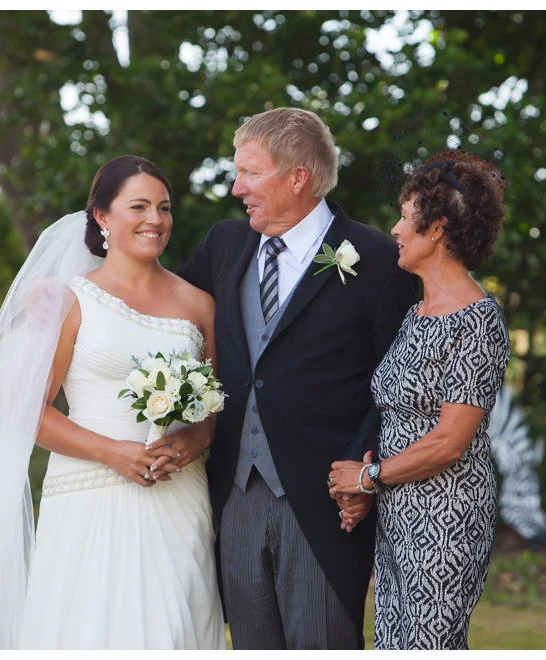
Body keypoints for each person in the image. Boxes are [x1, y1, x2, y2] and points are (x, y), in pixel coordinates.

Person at [0, 156, 225, 649]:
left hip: (177, 496)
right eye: (138, 206)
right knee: (89, 629)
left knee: (174, 629)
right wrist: (112, 452)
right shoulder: (68, 300)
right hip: (87, 493)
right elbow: (26, 412)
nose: (155, 220)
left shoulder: (199, 304)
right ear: (101, 217)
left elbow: (212, 410)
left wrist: (190, 442)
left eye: (164, 208)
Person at [158, 107, 418, 649]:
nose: (237, 188)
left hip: (326, 500)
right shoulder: (224, 245)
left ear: (298, 176)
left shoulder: (375, 259)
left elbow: (398, 386)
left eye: (250, 173)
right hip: (234, 490)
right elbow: (160, 311)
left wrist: (366, 474)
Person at [327, 154, 511, 650]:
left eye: (406, 218)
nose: (395, 230)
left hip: (446, 517)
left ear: (437, 229)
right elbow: (397, 419)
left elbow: (450, 442)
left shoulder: (478, 320)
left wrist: (368, 476)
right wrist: (371, 487)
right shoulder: (416, 314)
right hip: (398, 510)